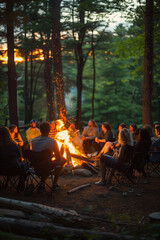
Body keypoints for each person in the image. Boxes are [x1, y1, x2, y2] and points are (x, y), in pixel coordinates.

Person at [30, 121, 66, 191]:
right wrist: (52, 156)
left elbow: (33, 153)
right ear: (49, 130)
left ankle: (42, 183)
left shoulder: (33, 141)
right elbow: (58, 157)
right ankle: (55, 184)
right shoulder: (52, 141)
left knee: (44, 163)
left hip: (35, 166)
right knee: (63, 159)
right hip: (47, 166)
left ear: (40, 130)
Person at [0, 126, 29, 192]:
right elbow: (18, 156)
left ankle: (6, 183)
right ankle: (20, 186)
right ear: (8, 134)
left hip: (1, 169)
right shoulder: (13, 145)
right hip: (14, 169)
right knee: (26, 166)